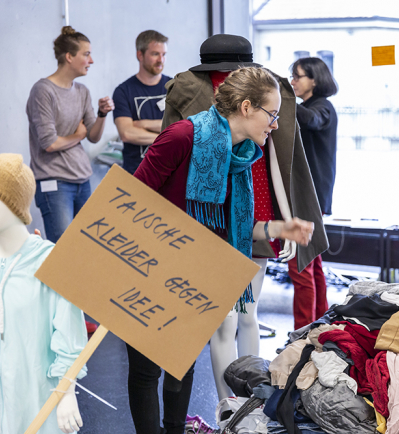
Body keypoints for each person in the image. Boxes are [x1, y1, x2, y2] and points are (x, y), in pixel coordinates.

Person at [130, 67, 314, 434]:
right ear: (247, 107)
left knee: (181, 365)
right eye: (272, 114)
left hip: (195, 272)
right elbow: (132, 200)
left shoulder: (242, 154)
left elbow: (232, 223)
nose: (275, 125)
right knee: (147, 370)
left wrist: (278, 228)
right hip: (152, 266)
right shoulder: (183, 136)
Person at [162, 34, 327, 400]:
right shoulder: (190, 92)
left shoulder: (270, 91)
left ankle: (249, 401)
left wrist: (284, 218)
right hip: (212, 214)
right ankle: (226, 406)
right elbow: (168, 166)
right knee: (224, 321)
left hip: (256, 207)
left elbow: (282, 159)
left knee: (247, 313)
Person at [0, 154, 88, 434]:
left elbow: (70, 337)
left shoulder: (50, 263)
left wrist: (67, 393)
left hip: (38, 397)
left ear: (11, 204)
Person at [26, 26, 114, 244]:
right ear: (69, 57)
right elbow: (49, 143)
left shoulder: (82, 91)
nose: (91, 60)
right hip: (53, 183)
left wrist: (102, 113)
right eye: (86, 54)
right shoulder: (43, 91)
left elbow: (92, 136)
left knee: (87, 247)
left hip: (82, 180)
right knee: (63, 250)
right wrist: (77, 136)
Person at [288, 57, 338, 330]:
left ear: (315, 80)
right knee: (313, 262)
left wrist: (280, 97)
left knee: (300, 265)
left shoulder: (322, 108)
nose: (293, 81)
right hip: (311, 196)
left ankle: (303, 332)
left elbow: (312, 120)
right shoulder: (308, 106)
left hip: (310, 197)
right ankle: (319, 327)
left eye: (298, 76)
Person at [113, 30, 170, 175]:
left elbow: (185, 126)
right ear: (140, 55)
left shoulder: (175, 87)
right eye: (155, 54)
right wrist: (168, 138)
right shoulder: (123, 91)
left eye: (164, 54)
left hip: (170, 172)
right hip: (137, 174)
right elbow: (127, 133)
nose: (161, 60)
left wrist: (144, 124)